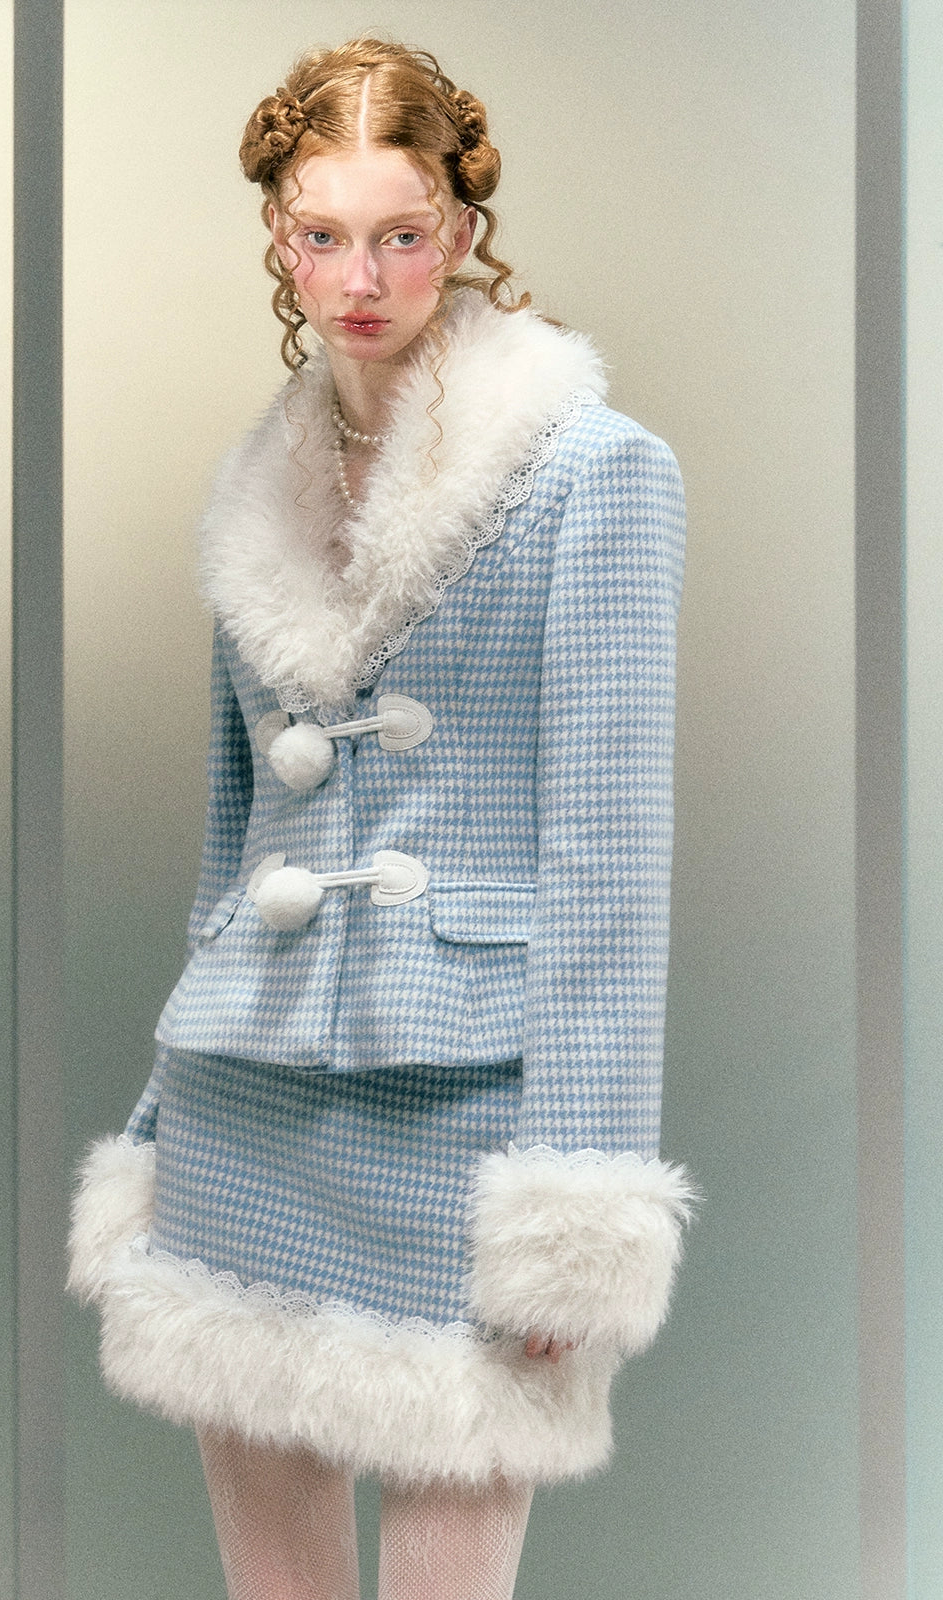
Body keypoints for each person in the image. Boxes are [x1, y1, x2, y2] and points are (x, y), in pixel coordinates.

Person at [69, 37, 696, 1600]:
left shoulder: (595, 475)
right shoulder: (255, 495)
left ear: (464, 230)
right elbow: (241, 844)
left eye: (403, 233)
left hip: (469, 1101)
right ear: (279, 240)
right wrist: (159, 1111)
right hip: (246, 1095)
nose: (363, 278)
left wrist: (578, 1198)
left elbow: (610, 859)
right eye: (324, 234)